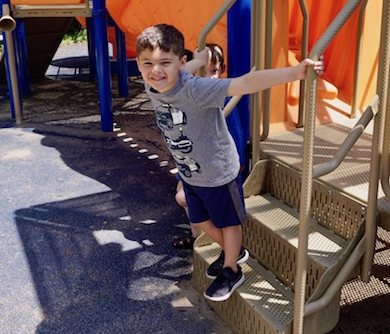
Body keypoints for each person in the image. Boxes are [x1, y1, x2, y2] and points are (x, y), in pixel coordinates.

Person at [136, 24, 324, 302]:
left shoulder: (198, 89)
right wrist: (200, 60)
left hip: (218, 172)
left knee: (228, 223)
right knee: (199, 218)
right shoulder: (154, 83)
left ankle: (232, 268)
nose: (156, 71)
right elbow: (177, 70)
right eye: (147, 64)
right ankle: (234, 252)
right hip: (191, 172)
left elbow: (246, 83)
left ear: (180, 62)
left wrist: (294, 73)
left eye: (165, 63)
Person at [172, 43, 245, 250]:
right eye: (205, 71)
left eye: (214, 71)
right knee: (184, 195)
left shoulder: (222, 95)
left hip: (215, 162)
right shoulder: (192, 93)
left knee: (184, 197)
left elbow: (235, 130)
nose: (210, 77)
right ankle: (197, 235)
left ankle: (216, 241)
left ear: (221, 70)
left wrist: (238, 161)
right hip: (195, 159)